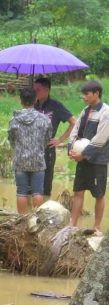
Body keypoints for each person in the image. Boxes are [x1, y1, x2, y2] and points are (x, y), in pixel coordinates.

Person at [67, 80, 109, 235]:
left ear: (96, 94)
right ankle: (72, 224)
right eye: (83, 94)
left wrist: (83, 154)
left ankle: (97, 227)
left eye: (87, 94)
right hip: (81, 159)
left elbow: (101, 138)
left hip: (97, 160)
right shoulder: (85, 111)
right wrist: (71, 149)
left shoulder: (106, 112)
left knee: (99, 194)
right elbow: (75, 130)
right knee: (78, 191)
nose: (83, 97)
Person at [8, 87, 51, 215]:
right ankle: (38, 220)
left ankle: (22, 219)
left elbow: (11, 140)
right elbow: (47, 139)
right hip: (38, 160)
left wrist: (19, 149)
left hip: (21, 160)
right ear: (36, 100)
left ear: (21, 101)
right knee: (38, 191)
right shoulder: (44, 119)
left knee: (21, 191)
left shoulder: (14, 120)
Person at [34, 77, 77, 200]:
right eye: (34, 89)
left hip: (48, 150)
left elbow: (74, 122)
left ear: (47, 90)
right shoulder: (32, 105)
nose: (35, 92)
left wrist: (60, 139)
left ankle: (44, 209)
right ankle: (29, 214)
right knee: (30, 184)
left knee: (46, 183)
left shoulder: (56, 106)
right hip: (32, 150)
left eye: (38, 90)